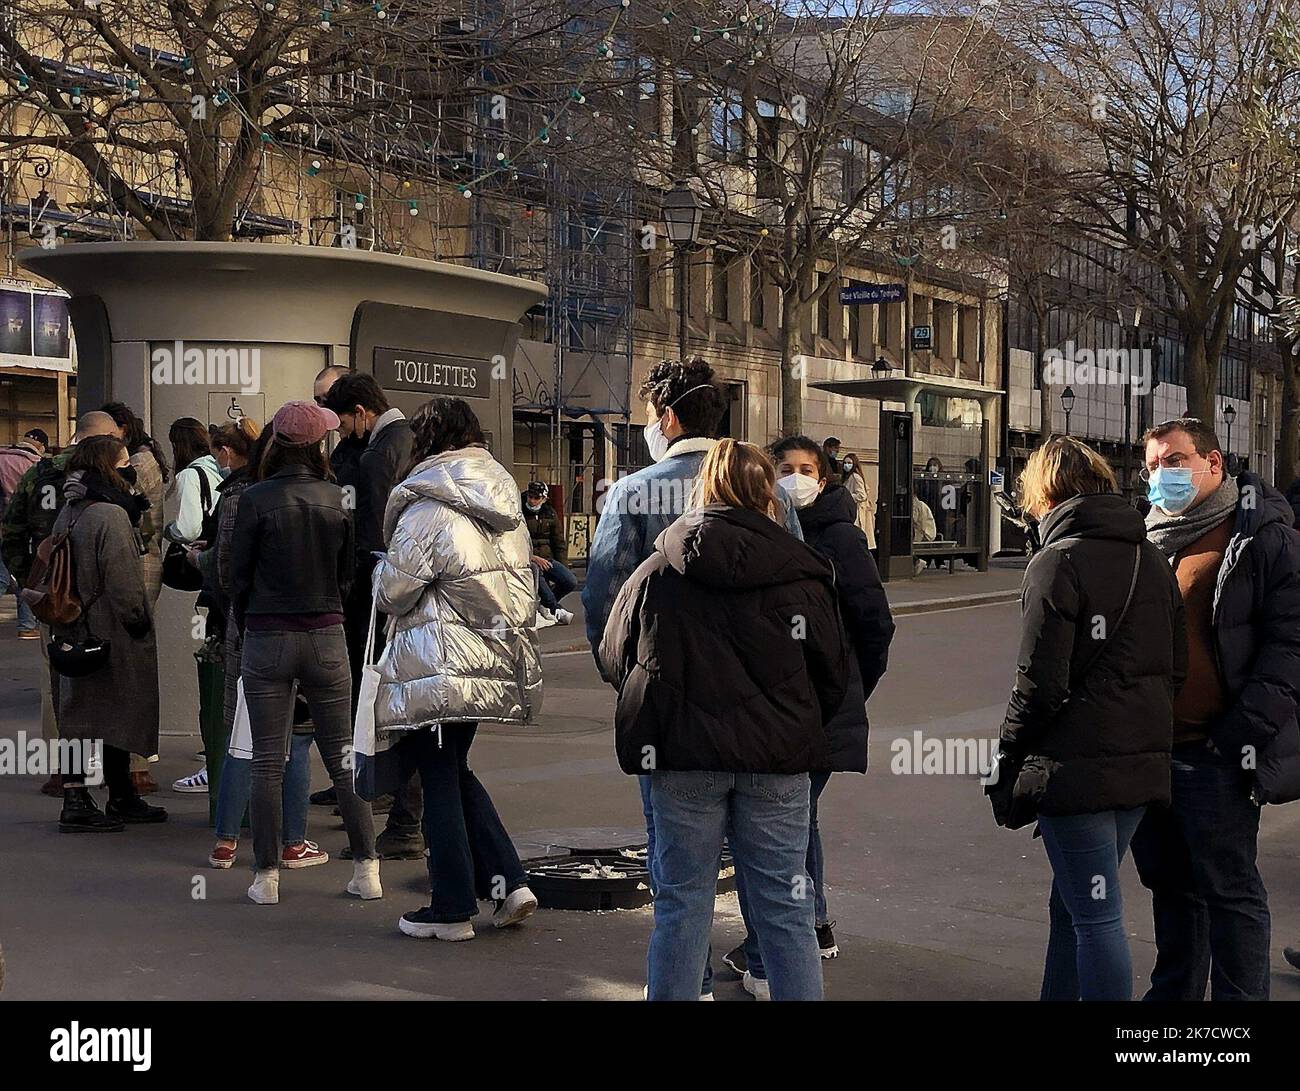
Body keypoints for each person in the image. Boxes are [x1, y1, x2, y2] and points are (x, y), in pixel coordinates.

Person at [582, 356, 803, 998]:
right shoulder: (773, 497)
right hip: (770, 728)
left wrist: (635, 686)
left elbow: (604, 608)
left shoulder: (632, 494)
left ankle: (692, 987)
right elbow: (810, 602)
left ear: (668, 417)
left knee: (681, 895)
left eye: (652, 414)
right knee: (781, 899)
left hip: (674, 727)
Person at [599, 440, 851, 1001]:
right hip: (778, 763)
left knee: (682, 903)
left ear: (702, 490)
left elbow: (616, 656)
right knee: (786, 905)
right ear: (769, 498)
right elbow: (833, 676)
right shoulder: (803, 575)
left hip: (684, 760)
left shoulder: (659, 569)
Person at [989, 437, 1185, 1001]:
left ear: (1044, 491)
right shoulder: (1149, 556)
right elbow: (1176, 668)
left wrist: (1007, 754)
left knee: (1096, 915)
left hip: (1074, 771)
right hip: (1140, 765)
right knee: (1074, 904)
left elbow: (1039, 684)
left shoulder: (1057, 560)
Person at [1129, 417, 1300, 1001]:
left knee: (1230, 892)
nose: (1161, 475)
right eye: (1151, 466)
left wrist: (1243, 732)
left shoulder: (1260, 536)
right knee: (1172, 891)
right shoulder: (1146, 538)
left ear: (1214, 463)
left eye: (1174, 461)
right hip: (1154, 750)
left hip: (1218, 752)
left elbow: (1290, 644)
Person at [720, 436, 894, 994]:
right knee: (798, 819)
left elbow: (874, 622)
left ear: (824, 478)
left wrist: (846, 688)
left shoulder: (838, 535)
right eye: (785, 469)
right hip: (793, 708)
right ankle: (810, 924)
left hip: (815, 706)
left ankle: (772, 947)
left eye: (807, 469)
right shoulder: (770, 528)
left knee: (776, 829)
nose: (796, 478)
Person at [372, 397, 541, 941]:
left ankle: (450, 909)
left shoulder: (428, 505)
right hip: (486, 660)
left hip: (437, 663)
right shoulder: (504, 503)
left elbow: (393, 591)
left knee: (440, 778)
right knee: (452, 769)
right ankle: (508, 882)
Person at [229, 400, 378, 905]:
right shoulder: (340, 499)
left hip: (267, 635)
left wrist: (248, 618)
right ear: (319, 445)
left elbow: (237, 576)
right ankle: (366, 869)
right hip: (326, 633)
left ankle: (266, 878)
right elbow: (347, 574)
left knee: (267, 762)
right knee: (342, 755)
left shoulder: (254, 499)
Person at [321, 372, 421, 862]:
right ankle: (401, 809)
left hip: (382, 598)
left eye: (342, 421)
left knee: (390, 704)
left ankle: (405, 820)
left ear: (362, 411)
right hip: (405, 598)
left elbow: (378, 531)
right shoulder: (403, 441)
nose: (341, 432)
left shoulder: (381, 451)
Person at [50, 435, 167, 832]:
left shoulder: (71, 508)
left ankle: (90, 794)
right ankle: (97, 799)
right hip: (110, 632)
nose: (129, 469)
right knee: (118, 711)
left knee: (81, 714)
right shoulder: (111, 516)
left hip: (73, 627)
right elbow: (124, 582)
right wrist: (138, 622)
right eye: (122, 463)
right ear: (108, 468)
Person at [2, 411, 119, 796]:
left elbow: (12, 529)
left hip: (55, 589)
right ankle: (127, 771)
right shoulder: (109, 471)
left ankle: (64, 771)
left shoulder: (40, 471)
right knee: (116, 675)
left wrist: (29, 582)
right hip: (103, 590)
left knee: (58, 677)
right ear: (103, 440)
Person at [101, 403, 170, 602]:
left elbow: (121, 501)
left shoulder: (138, 462)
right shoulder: (144, 455)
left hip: (140, 561)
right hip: (144, 559)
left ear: (123, 429)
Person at [0, 428, 46, 638]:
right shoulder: (34, 465)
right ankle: (27, 625)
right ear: (41, 447)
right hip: (18, 527)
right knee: (23, 575)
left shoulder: (2, 457)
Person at [523, 480, 576, 625]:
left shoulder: (550, 513)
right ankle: (555, 608)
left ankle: (544, 604)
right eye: (530, 496)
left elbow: (558, 542)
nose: (532, 501)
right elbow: (514, 542)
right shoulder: (519, 512)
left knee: (570, 581)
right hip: (527, 559)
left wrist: (563, 565)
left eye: (536, 498)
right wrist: (532, 557)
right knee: (537, 573)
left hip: (547, 558)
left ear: (544, 498)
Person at [837, 452, 875, 550]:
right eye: (845, 463)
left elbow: (862, 495)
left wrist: (847, 496)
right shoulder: (847, 478)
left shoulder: (855, 477)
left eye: (849, 463)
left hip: (856, 512)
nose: (846, 465)